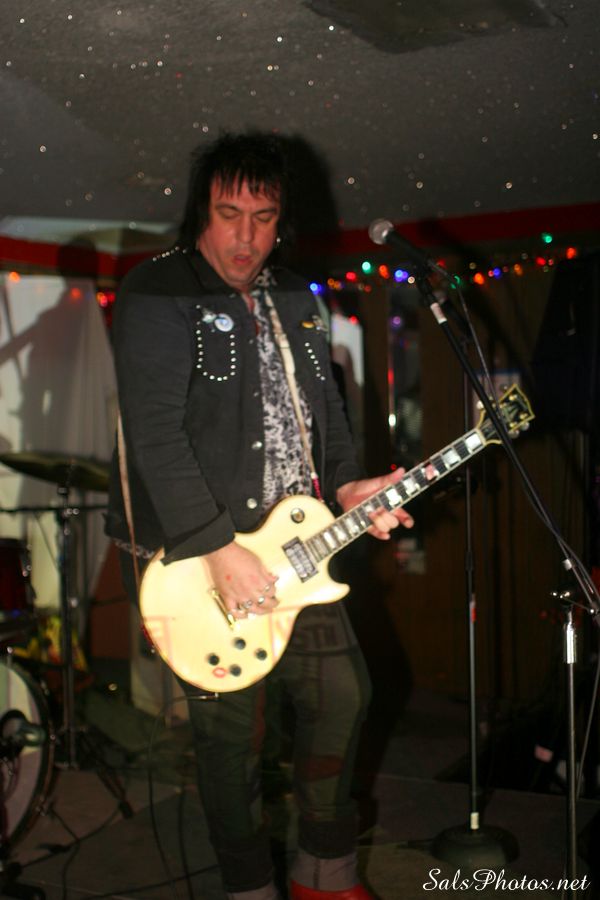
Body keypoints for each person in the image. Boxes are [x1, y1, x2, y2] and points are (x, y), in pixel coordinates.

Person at [106, 132, 414, 900]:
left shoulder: (296, 297)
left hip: (298, 551)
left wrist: (349, 487)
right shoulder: (159, 291)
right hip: (206, 558)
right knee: (231, 738)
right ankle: (249, 887)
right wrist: (216, 549)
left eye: (264, 216)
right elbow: (154, 435)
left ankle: (325, 872)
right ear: (200, 214)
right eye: (229, 214)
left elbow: (326, 416)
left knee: (343, 697)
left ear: (282, 222)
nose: (246, 236)